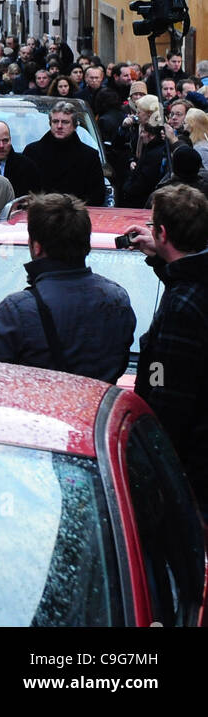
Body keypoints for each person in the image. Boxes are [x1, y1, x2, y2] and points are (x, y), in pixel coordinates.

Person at [0, 194, 134, 381]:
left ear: (37, 247)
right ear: (85, 244)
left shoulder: (17, 310)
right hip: (98, 409)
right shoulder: (117, 298)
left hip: (39, 409)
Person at [126, 185, 208, 516]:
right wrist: (159, 256)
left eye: (153, 226)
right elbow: (187, 276)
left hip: (189, 472)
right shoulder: (193, 285)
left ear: (162, 232)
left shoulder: (181, 309)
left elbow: (165, 389)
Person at [23, 101, 106, 206]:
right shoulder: (32, 152)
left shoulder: (89, 156)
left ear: (75, 126)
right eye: (55, 121)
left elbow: (97, 196)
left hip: (76, 217)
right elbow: (24, 192)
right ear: (50, 123)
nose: (59, 126)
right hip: (40, 216)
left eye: (65, 122)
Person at [0, 120, 43, 197]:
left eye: (5, 140)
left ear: (10, 140)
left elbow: (35, 200)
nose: (1, 146)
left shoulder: (27, 167)